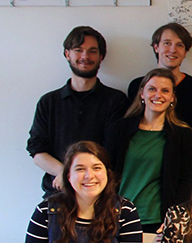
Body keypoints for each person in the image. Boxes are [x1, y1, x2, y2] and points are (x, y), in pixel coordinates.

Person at [107, 68, 192, 243]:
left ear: (172, 98)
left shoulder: (183, 135)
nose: (158, 95)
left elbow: (187, 181)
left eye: (165, 91)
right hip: (116, 218)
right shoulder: (119, 129)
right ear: (142, 93)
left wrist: (172, 218)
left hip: (156, 222)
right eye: (152, 89)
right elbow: (107, 172)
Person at [28, 26, 127, 196]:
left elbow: (113, 152)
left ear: (101, 57)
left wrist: (83, 176)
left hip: (100, 194)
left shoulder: (116, 100)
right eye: (78, 50)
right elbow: (37, 150)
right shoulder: (48, 102)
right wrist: (64, 173)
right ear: (67, 54)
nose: (85, 56)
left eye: (92, 51)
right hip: (58, 193)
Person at [126, 22, 192, 156]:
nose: (173, 50)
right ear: (156, 47)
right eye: (167, 43)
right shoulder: (137, 86)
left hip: (187, 162)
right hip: (145, 158)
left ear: (186, 52)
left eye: (180, 45)